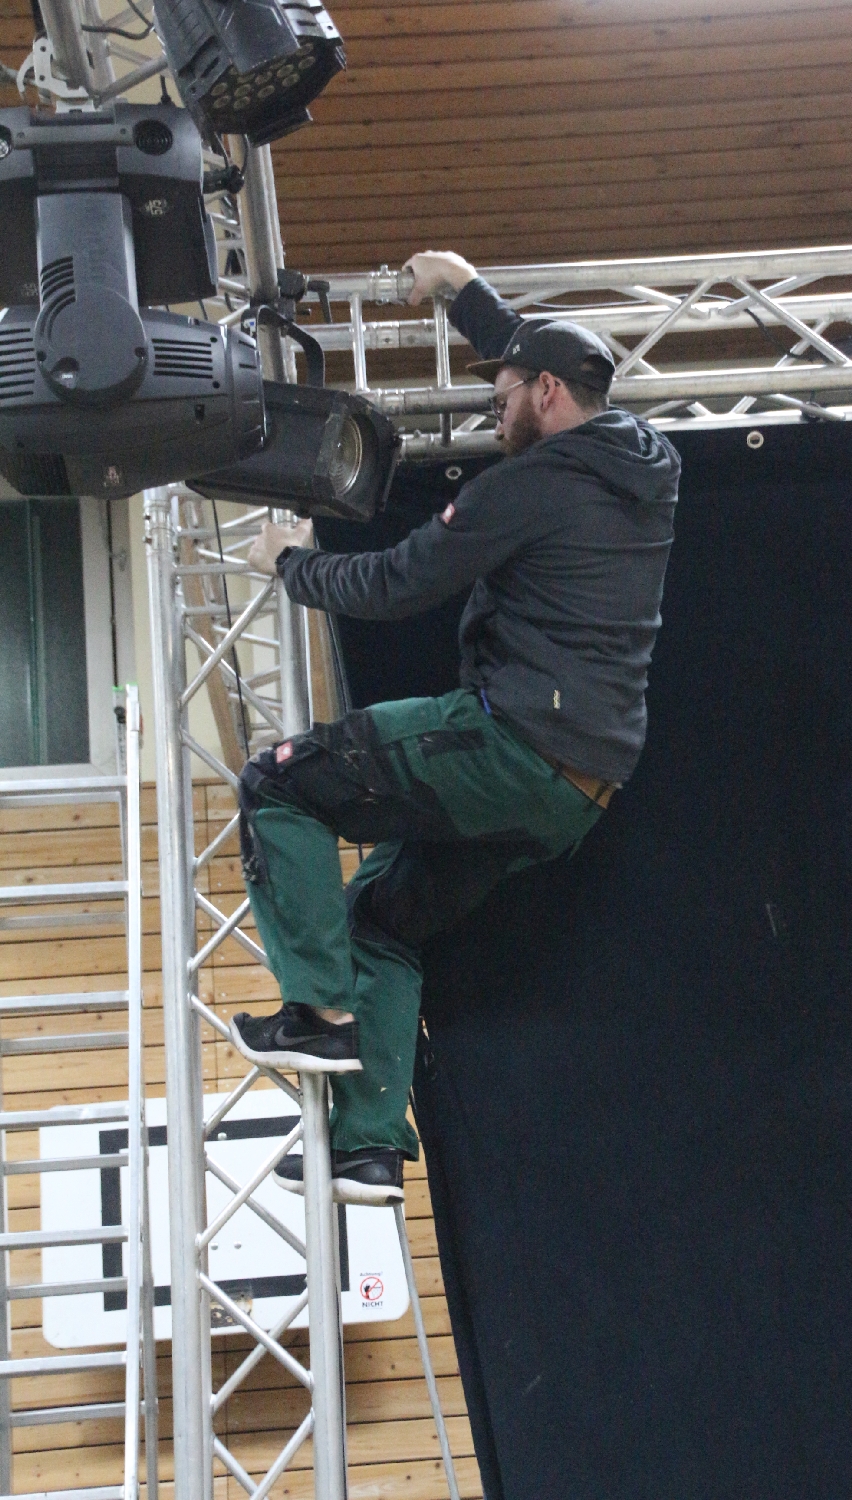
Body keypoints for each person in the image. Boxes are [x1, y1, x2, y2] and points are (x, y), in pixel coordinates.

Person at [229, 250, 681, 1204]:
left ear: (546, 395)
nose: (492, 412)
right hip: (579, 790)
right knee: (382, 922)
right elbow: (544, 355)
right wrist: (462, 292)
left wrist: (292, 565)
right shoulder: (649, 466)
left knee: (280, 782)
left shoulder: (531, 485)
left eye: (502, 396)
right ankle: (370, 1151)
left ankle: (317, 1016)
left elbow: (398, 583)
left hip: (512, 743)